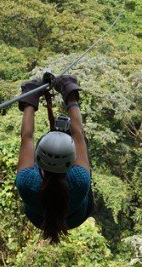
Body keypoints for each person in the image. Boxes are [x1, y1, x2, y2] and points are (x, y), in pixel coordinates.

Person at [15, 75, 92, 243]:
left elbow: (27, 137)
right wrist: (69, 92)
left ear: (39, 159)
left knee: (79, 146)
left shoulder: (28, 182)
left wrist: (30, 97)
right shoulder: (79, 180)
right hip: (75, 215)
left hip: (40, 218)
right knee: (83, 146)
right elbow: (78, 134)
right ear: (70, 162)